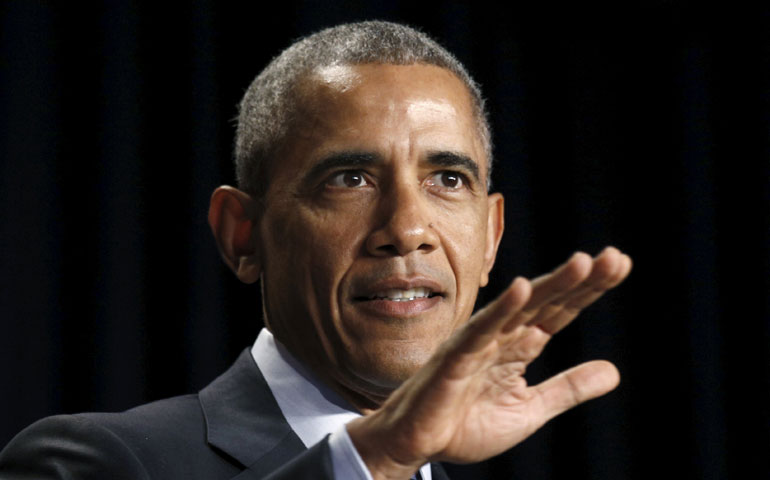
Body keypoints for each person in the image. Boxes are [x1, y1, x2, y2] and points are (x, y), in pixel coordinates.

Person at [0, 21, 631, 479]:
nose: (407, 229)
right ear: (242, 235)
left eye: (447, 180)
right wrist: (373, 459)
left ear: (490, 236)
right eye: (349, 179)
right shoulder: (97, 463)